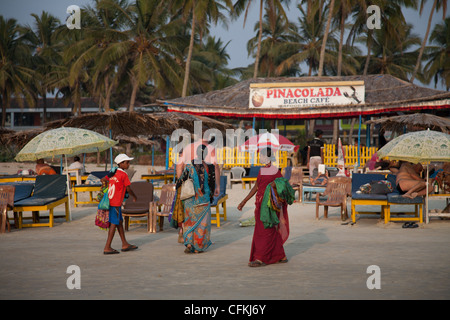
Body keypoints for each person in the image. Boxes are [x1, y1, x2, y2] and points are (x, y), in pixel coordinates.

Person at [238, 149, 290, 267]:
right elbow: (257, 186)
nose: (259, 157)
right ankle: (280, 255)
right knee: (270, 230)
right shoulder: (263, 170)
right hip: (260, 204)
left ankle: (260, 258)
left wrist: (274, 185)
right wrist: (244, 201)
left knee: (264, 231)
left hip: (269, 206)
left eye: (260, 155)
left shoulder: (275, 171)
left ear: (266, 156)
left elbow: (282, 186)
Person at [175, 144, 219, 253]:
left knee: (190, 221)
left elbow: (180, 180)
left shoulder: (189, 167)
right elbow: (212, 183)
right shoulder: (210, 167)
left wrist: (177, 187)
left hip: (190, 199)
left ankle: (189, 244)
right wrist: (212, 195)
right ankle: (198, 246)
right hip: (204, 198)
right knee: (202, 224)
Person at [101, 154, 138, 255]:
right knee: (114, 223)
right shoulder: (123, 175)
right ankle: (107, 247)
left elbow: (103, 180)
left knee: (119, 222)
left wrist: (106, 187)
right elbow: (128, 188)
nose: (128, 164)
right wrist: (134, 197)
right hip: (116, 203)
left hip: (110, 201)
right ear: (121, 163)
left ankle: (125, 244)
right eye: (127, 162)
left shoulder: (112, 172)